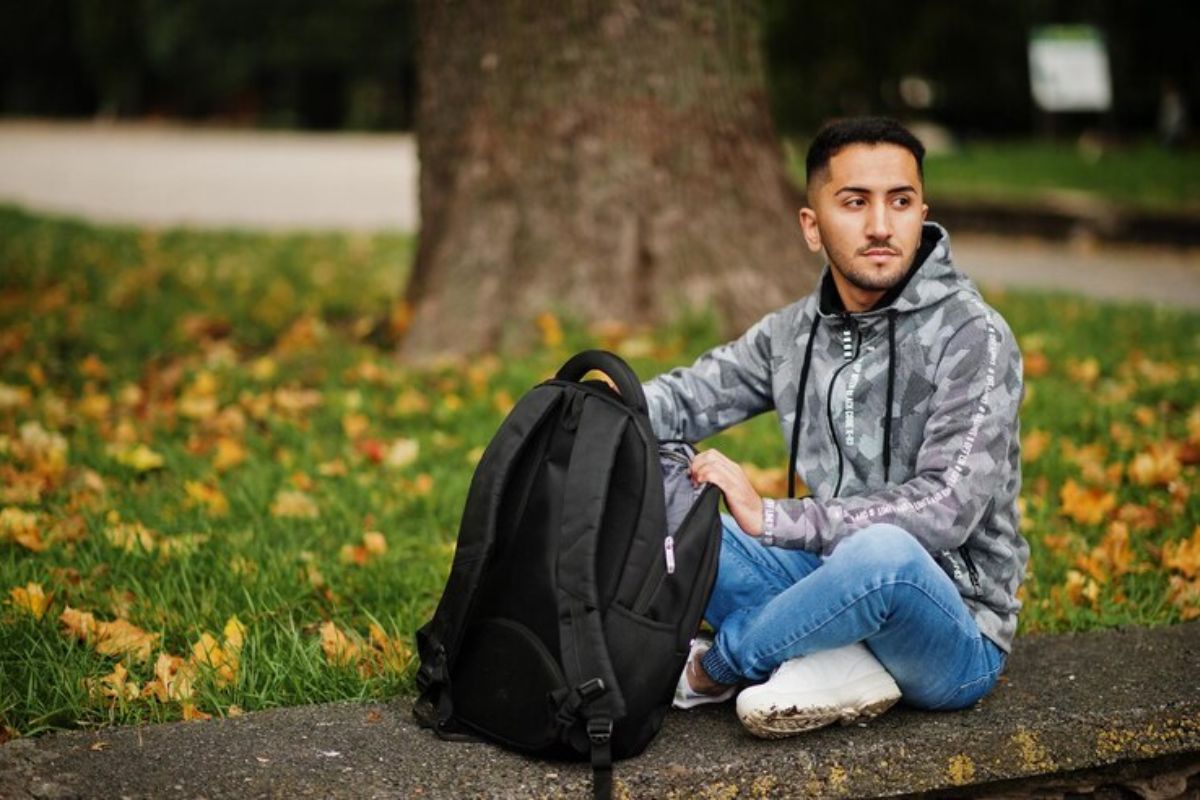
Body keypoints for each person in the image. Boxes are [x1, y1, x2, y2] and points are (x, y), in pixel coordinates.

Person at [642, 117, 1028, 738]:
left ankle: (716, 669)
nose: (881, 226)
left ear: (921, 210)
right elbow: (687, 397)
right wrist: (592, 401)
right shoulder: (792, 335)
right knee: (648, 485)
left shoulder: (972, 336)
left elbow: (945, 510)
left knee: (881, 554)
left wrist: (772, 518)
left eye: (899, 202)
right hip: (824, 577)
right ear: (811, 225)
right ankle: (826, 650)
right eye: (855, 202)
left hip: (950, 624)